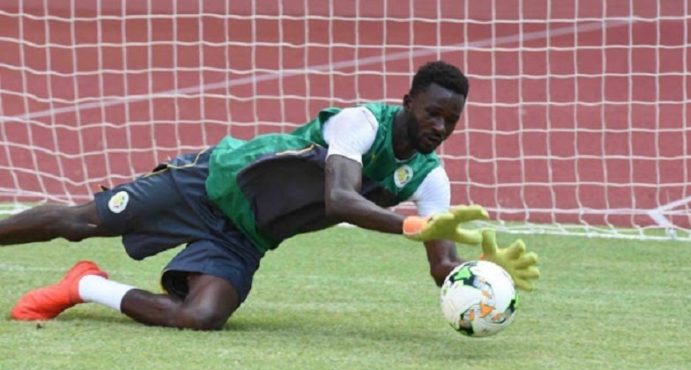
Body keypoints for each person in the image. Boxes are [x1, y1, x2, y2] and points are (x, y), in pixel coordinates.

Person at [2, 61, 539, 330]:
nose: (441, 127)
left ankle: (85, 285)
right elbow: (341, 201)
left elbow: (440, 264)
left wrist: (479, 273)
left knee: (202, 318)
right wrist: (411, 226)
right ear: (408, 103)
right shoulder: (358, 124)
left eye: (452, 120)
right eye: (434, 113)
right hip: (211, 185)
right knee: (78, 220)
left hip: (247, 235)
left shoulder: (429, 177)